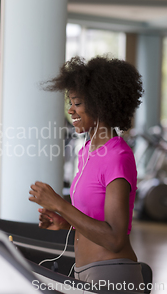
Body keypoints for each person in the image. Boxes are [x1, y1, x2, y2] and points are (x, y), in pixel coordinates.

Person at [28, 56, 145, 292]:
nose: (70, 110)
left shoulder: (117, 156)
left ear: (101, 104)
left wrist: (61, 206)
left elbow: (114, 239)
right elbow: (93, 216)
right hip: (84, 271)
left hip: (112, 274)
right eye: (70, 102)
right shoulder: (87, 152)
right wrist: (65, 222)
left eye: (77, 103)